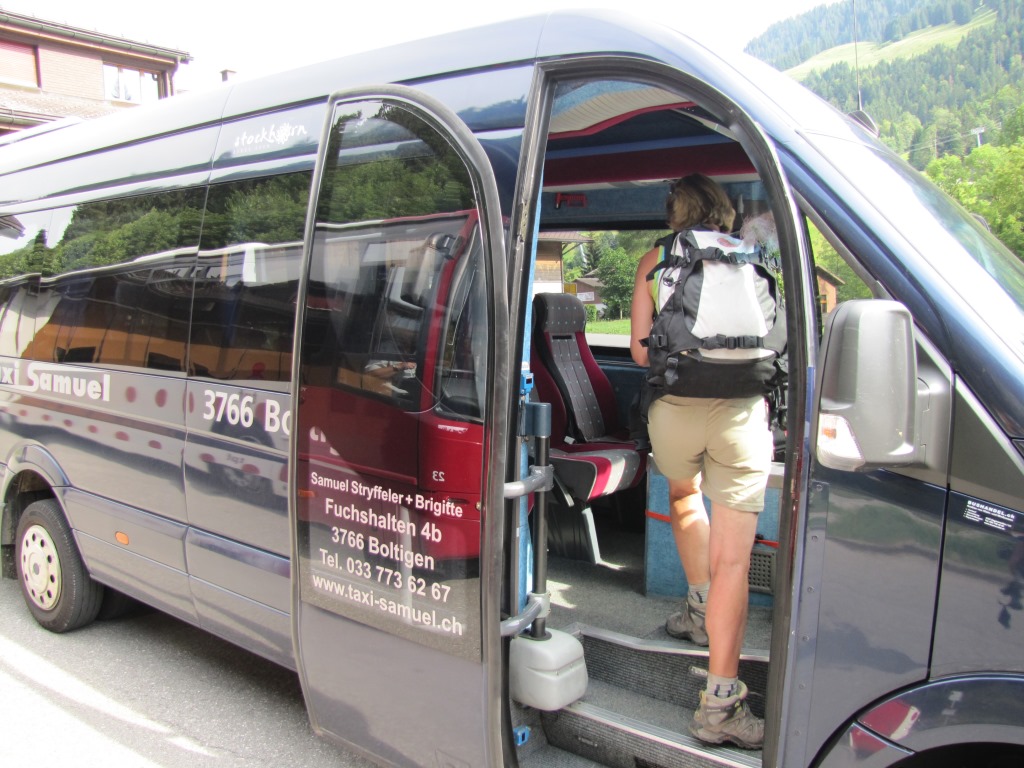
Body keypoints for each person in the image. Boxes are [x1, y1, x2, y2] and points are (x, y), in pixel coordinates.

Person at [630, 174, 772, 749]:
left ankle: (696, 607)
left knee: (684, 496)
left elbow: (639, 350)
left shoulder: (655, 260)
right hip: (743, 415)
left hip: (675, 412)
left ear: (676, 212)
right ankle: (720, 706)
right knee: (733, 563)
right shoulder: (753, 256)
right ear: (724, 210)